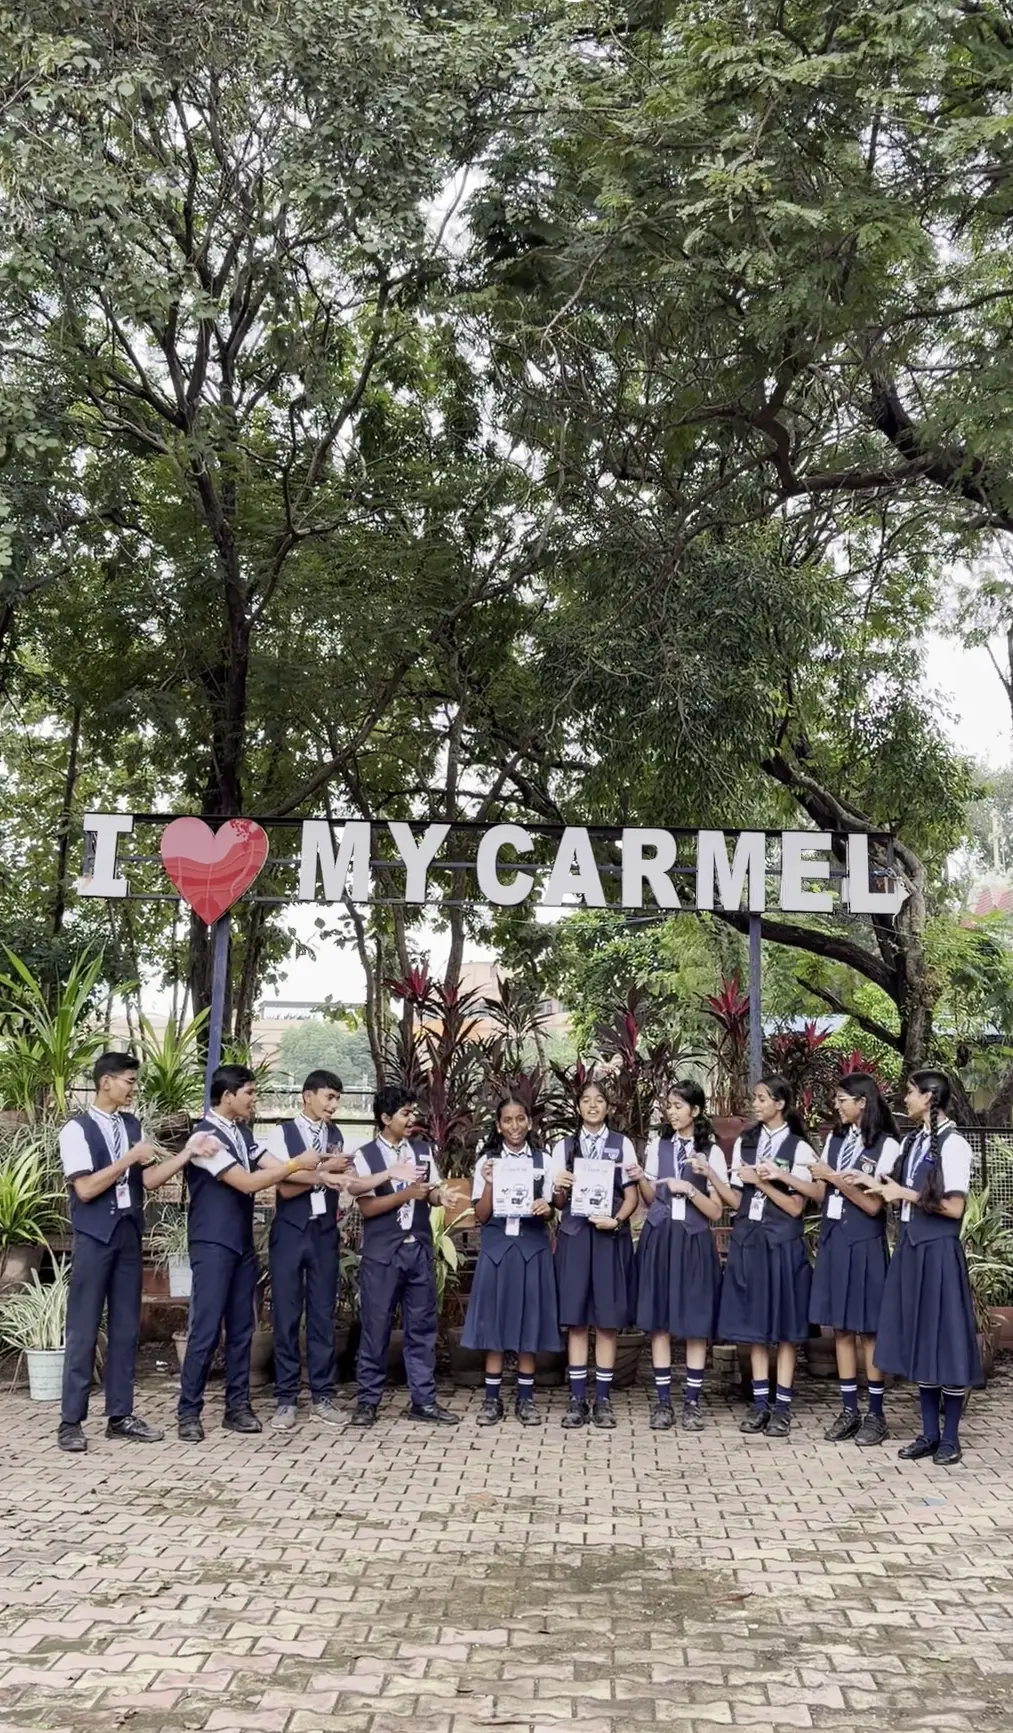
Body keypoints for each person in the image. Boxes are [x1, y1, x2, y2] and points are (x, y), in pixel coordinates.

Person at [57, 1051, 214, 1453]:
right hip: (93, 1236)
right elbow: (86, 1189)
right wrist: (127, 1158)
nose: (133, 1088)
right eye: (128, 1080)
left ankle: (120, 1415)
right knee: (83, 1329)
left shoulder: (131, 1124)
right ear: (105, 1081)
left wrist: (186, 1153)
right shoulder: (76, 1129)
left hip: (128, 1233)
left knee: (128, 1328)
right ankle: (71, 1421)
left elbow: (148, 1181)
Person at [177, 1064, 320, 1442]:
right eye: (250, 1094)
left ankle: (236, 1406)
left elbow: (275, 1169)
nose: (254, 1101)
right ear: (228, 1096)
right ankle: (188, 1411)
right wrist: (296, 1163)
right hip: (212, 1243)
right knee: (206, 1329)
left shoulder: (241, 1133)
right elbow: (245, 1183)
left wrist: (326, 1174)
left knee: (243, 1328)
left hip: (241, 1243)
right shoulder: (205, 1137)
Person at [868, 1069, 981, 1466]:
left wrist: (905, 1194)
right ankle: (928, 1433)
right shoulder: (914, 1140)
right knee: (919, 1338)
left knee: (944, 1341)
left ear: (931, 1097)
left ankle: (950, 1437)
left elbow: (953, 1208)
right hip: (912, 1251)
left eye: (910, 1093)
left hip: (937, 1252)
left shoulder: (955, 1145)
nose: (905, 1099)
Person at [347, 1083, 460, 1428]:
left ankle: (423, 1401)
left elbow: (430, 1194)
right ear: (385, 1118)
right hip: (383, 1254)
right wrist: (405, 1193)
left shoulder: (422, 1151)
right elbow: (365, 1205)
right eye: (405, 1113)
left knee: (422, 1329)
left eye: (413, 1112)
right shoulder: (366, 1154)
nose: (412, 1119)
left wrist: (443, 1198)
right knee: (376, 1327)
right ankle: (367, 1401)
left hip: (420, 1250)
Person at [712, 1074, 814, 1438]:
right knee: (754, 1328)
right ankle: (759, 1404)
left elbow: (795, 1207)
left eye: (761, 1098)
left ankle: (783, 1406)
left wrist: (764, 1181)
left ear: (780, 1103)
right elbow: (739, 1201)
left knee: (785, 1329)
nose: (755, 1104)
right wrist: (713, 1176)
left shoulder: (799, 1148)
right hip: (749, 1240)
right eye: (754, 1097)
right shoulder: (747, 1142)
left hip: (782, 1242)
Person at [807, 1073, 901, 1447]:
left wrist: (834, 1178)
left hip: (864, 1240)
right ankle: (849, 1409)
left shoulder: (887, 1145)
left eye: (842, 1098)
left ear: (862, 1101)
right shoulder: (836, 1138)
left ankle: (876, 1414)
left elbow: (872, 1204)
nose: (837, 1105)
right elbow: (820, 1192)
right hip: (833, 1239)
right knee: (841, 1328)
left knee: (868, 1330)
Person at [628, 1079, 726, 1432]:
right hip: (660, 1236)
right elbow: (651, 1197)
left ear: (695, 1111)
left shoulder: (711, 1153)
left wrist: (689, 1189)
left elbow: (716, 1211)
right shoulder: (659, 1145)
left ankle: (692, 1402)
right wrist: (641, 1179)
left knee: (696, 1321)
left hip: (694, 1239)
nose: (671, 1112)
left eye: (678, 1106)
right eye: (668, 1105)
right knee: (660, 1321)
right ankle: (664, 1401)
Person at [462, 1095, 561, 1427]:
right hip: (496, 1248)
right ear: (499, 1125)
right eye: (508, 1120)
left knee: (528, 1323)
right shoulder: (487, 1161)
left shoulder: (543, 1160)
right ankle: (491, 1401)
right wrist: (489, 1183)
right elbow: (480, 1214)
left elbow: (552, 1204)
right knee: (494, 1323)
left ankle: (525, 1399)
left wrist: (548, 1208)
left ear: (529, 1123)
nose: (515, 1126)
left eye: (521, 1119)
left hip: (532, 1249)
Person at [262, 1069, 352, 1431]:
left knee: (322, 1314)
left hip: (324, 1232)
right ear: (307, 1096)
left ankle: (322, 1395)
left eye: (336, 1099)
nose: (333, 1105)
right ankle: (285, 1398)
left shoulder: (335, 1134)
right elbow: (283, 1184)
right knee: (285, 1315)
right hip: (290, 1230)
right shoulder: (282, 1133)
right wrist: (323, 1171)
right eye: (328, 1097)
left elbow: (324, 1174)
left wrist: (320, 1171)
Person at [551, 1078, 638, 1430]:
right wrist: (559, 1185)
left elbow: (631, 1196)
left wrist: (616, 1221)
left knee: (607, 1320)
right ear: (578, 1106)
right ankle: (576, 1399)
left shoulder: (622, 1145)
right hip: (574, 1237)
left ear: (607, 1107)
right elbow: (557, 1202)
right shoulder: (565, 1147)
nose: (592, 1105)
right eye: (585, 1100)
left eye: (599, 1100)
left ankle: (602, 1398)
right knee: (575, 1320)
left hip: (608, 1239)